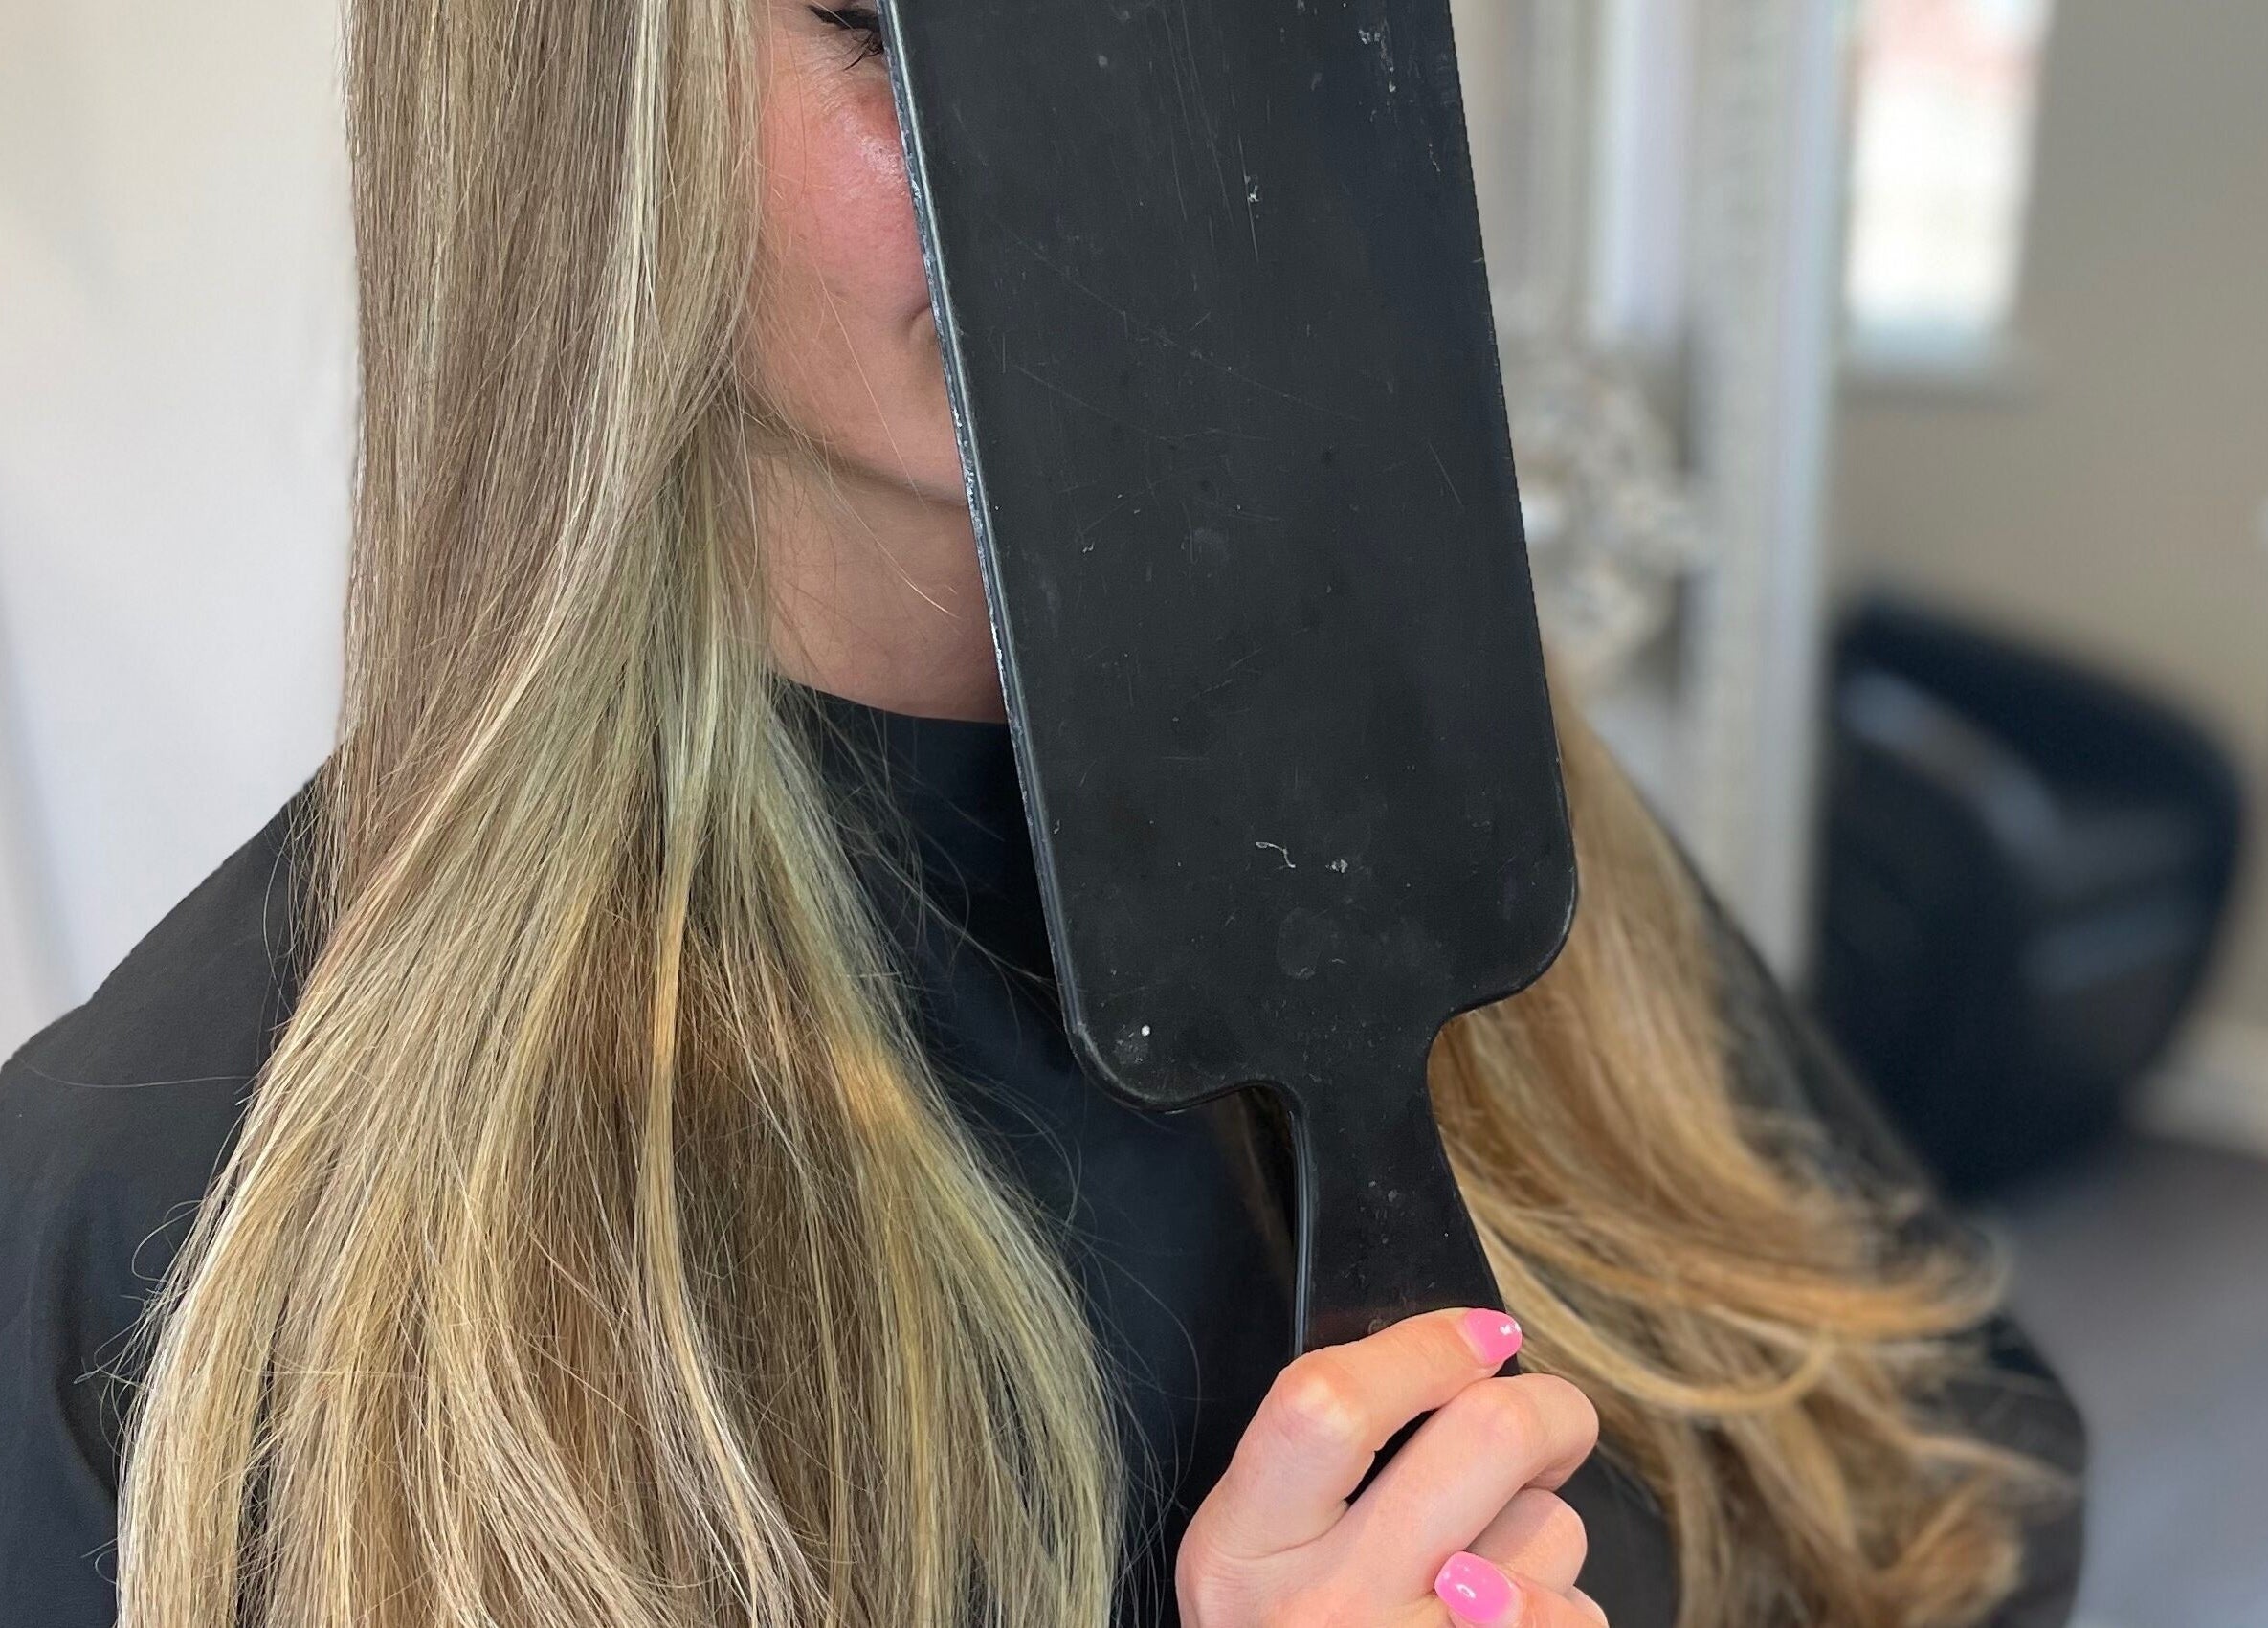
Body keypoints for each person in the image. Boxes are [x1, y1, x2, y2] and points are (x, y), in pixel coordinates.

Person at [0, 4, 2083, 1625]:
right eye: (884, 23)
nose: (1086, 146)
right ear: (577, 101)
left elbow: (1962, 1484)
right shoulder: (172, 1214)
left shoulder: (1478, 843)